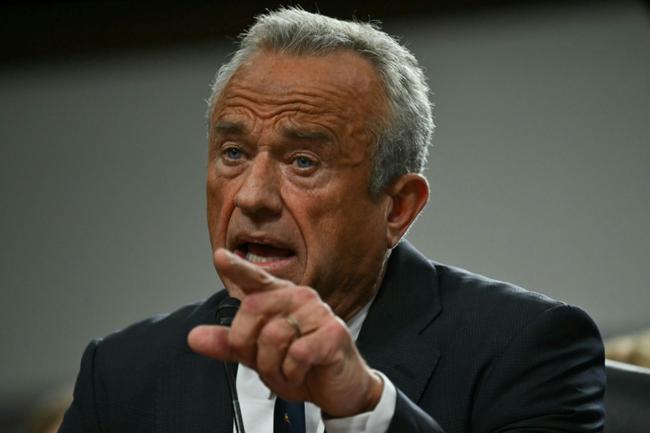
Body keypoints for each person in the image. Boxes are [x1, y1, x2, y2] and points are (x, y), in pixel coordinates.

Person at [59, 7, 605, 433]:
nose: (252, 196)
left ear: (398, 208)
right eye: (233, 153)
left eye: (303, 162)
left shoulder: (525, 350)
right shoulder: (122, 374)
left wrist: (365, 407)